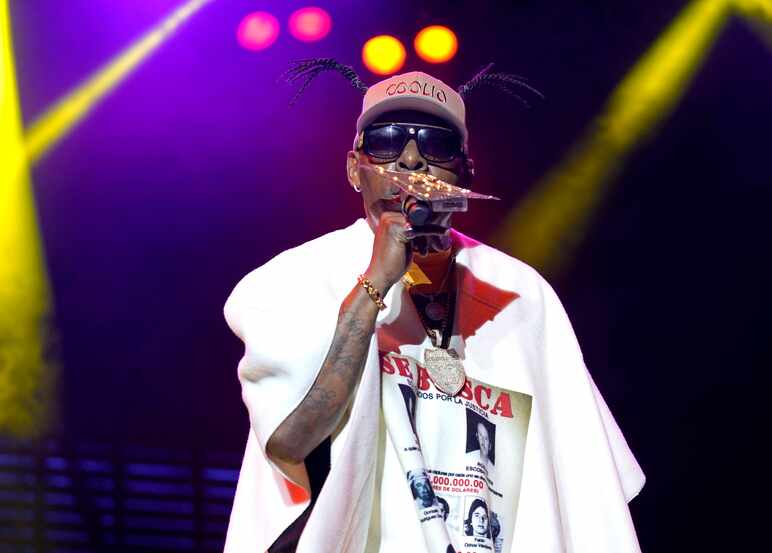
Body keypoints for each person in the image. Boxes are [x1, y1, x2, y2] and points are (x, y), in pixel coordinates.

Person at [222, 60, 646, 553]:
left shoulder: (522, 294)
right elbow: (290, 440)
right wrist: (376, 283)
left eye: (435, 143)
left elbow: (585, 484)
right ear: (353, 169)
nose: (409, 160)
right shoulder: (294, 279)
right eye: (385, 141)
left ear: (465, 172)